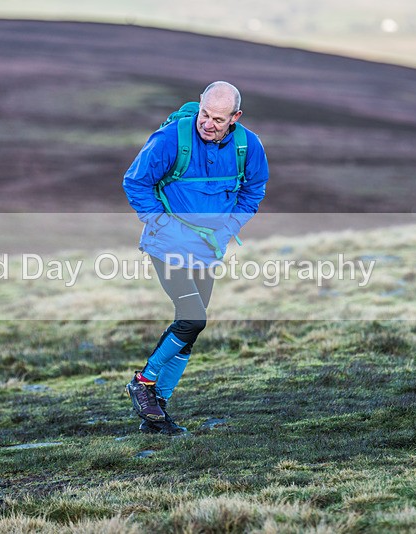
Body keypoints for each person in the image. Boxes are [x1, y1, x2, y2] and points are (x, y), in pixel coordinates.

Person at [123, 81, 269, 435]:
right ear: (200, 105)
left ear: (235, 117)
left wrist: (227, 229)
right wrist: (161, 223)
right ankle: (143, 382)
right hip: (167, 245)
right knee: (193, 318)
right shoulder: (170, 139)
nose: (208, 123)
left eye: (218, 119)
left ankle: (157, 414)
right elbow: (135, 181)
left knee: (189, 331)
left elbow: (253, 191)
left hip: (207, 249)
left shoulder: (248, 146)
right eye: (205, 114)